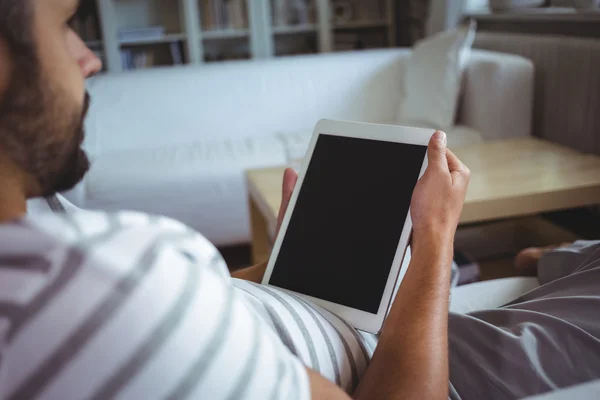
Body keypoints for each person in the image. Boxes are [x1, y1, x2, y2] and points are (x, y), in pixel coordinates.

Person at [0, 1, 598, 399]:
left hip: (331, 311)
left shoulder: (42, 238)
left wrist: (284, 267)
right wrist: (436, 239)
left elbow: (196, 308)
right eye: (65, 23)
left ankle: (549, 256)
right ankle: (546, 257)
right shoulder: (95, 297)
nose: (91, 58)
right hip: (399, 364)